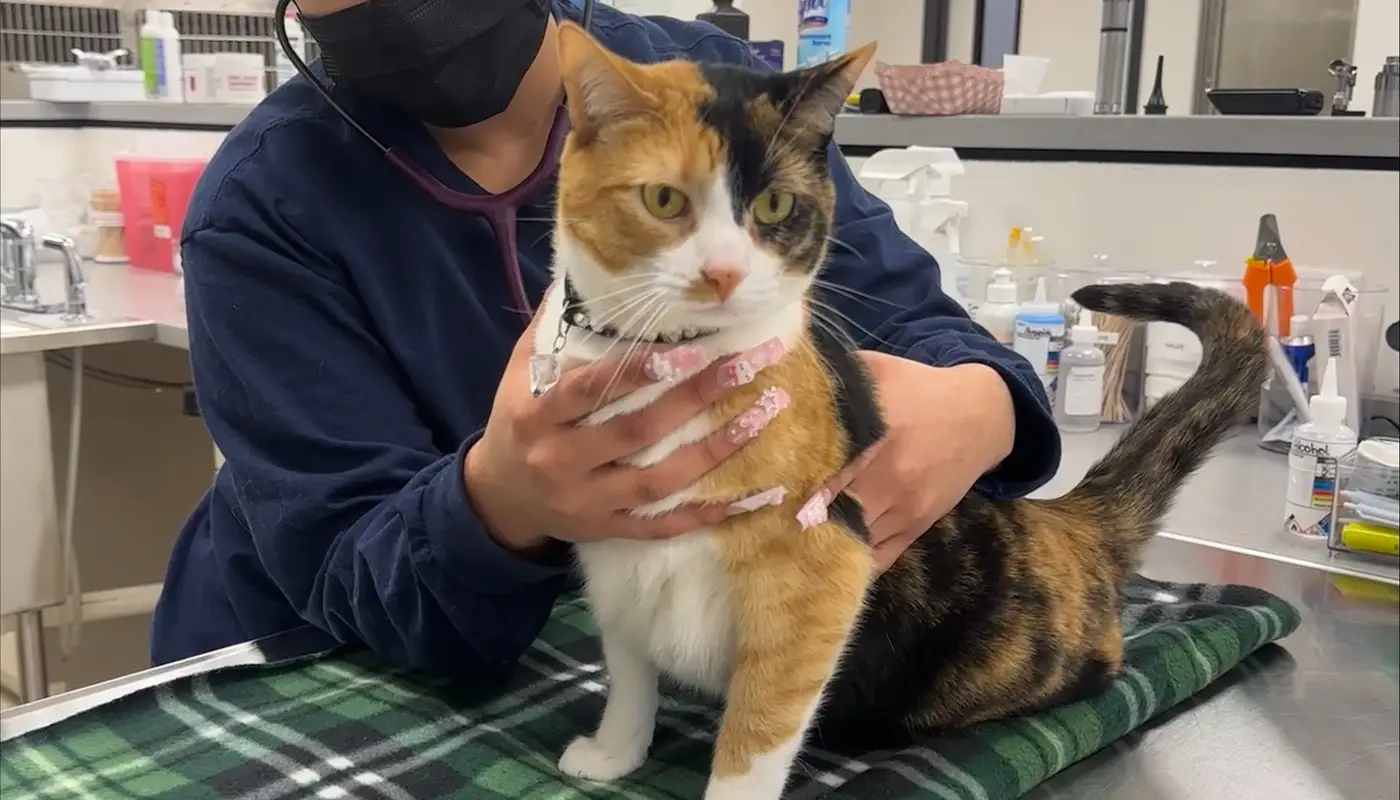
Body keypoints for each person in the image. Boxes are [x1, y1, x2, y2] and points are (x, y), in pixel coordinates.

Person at [151, 0, 1063, 672]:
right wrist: (496, 505)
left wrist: (981, 404)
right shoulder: (261, 209)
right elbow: (348, 567)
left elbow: (912, 319)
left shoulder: (708, 85)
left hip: (600, 656)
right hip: (311, 669)